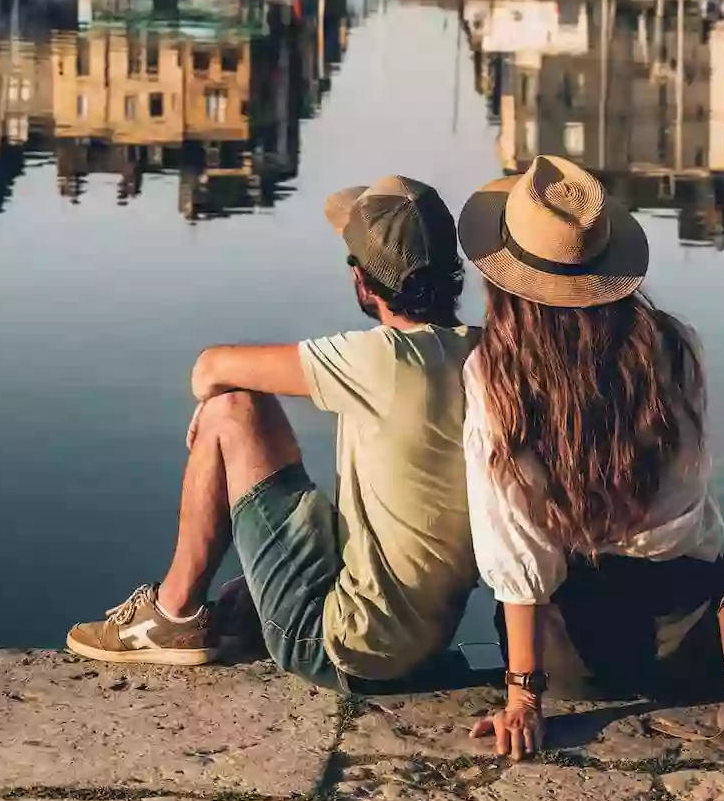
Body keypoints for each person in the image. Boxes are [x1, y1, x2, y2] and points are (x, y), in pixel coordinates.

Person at [67, 176, 478, 691]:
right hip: (421, 640)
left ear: (363, 283)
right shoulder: (480, 355)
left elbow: (209, 368)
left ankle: (171, 615)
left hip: (339, 648)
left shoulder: (382, 359)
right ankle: (242, 603)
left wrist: (210, 408)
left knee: (232, 409)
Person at [457, 154, 724, 760]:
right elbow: (690, 502)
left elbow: (514, 541)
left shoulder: (495, 375)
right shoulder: (675, 348)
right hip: (690, 637)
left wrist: (524, 695)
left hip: (570, 658)